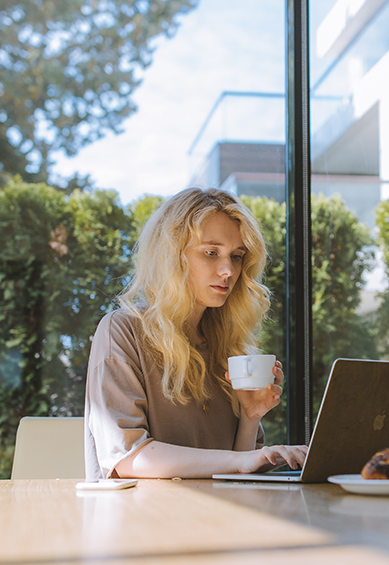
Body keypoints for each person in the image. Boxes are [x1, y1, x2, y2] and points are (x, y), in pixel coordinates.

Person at [84, 188, 308, 479]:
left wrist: (250, 417)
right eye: (211, 253)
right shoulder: (123, 330)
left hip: (212, 517)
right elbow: (128, 459)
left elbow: (233, 472)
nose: (228, 270)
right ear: (172, 256)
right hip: (139, 519)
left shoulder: (228, 347)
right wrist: (244, 461)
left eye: (237, 256)